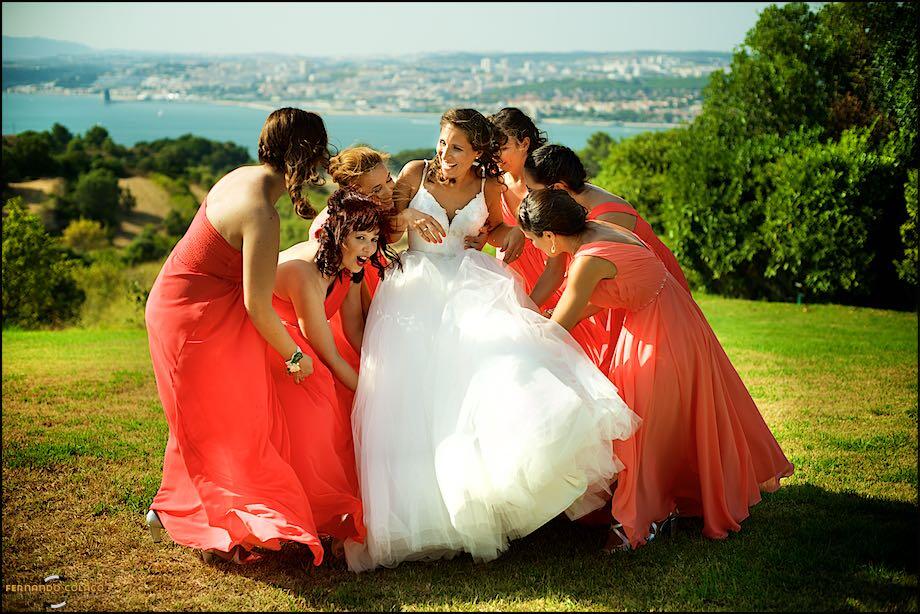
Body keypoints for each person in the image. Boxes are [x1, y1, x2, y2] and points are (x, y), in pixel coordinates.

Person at [343, 109, 641, 572]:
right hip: (411, 291)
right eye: (442, 142)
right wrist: (407, 218)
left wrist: (509, 235)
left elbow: (499, 227)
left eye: (457, 147)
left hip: (470, 285)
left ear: (478, 153)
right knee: (411, 401)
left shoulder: (490, 188)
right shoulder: (414, 172)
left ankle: (487, 499)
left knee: (495, 378)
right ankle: (424, 515)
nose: (445, 153)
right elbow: (383, 220)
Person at [518, 188, 794, 552]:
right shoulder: (603, 228)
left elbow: (559, 328)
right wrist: (552, 317)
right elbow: (615, 293)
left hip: (657, 339)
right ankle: (669, 502)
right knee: (659, 424)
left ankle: (637, 521)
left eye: (533, 241)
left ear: (550, 237)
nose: (536, 249)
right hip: (674, 321)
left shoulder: (586, 261)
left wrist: (516, 341)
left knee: (633, 429)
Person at [144, 107, 331, 565]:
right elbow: (257, 304)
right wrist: (294, 355)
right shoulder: (262, 213)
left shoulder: (242, 176)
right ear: (306, 157)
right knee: (224, 419)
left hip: (201, 309)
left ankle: (173, 507)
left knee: (216, 415)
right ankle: (221, 519)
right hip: (193, 321)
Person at [268, 188, 400, 555]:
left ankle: (328, 516)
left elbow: (355, 330)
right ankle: (304, 517)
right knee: (319, 416)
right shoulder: (303, 273)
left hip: (309, 349)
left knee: (338, 415)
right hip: (275, 345)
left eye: (374, 240)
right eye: (361, 238)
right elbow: (326, 354)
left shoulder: (350, 268)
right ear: (338, 233)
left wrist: (384, 367)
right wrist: (371, 393)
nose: (369, 249)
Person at [523, 143, 693, 374]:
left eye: (534, 191)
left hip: (640, 294)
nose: (531, 197)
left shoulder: (606, 219)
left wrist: (557, 318)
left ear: (559, 187)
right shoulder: (578, 210)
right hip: (622, 290)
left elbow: (601, 283)